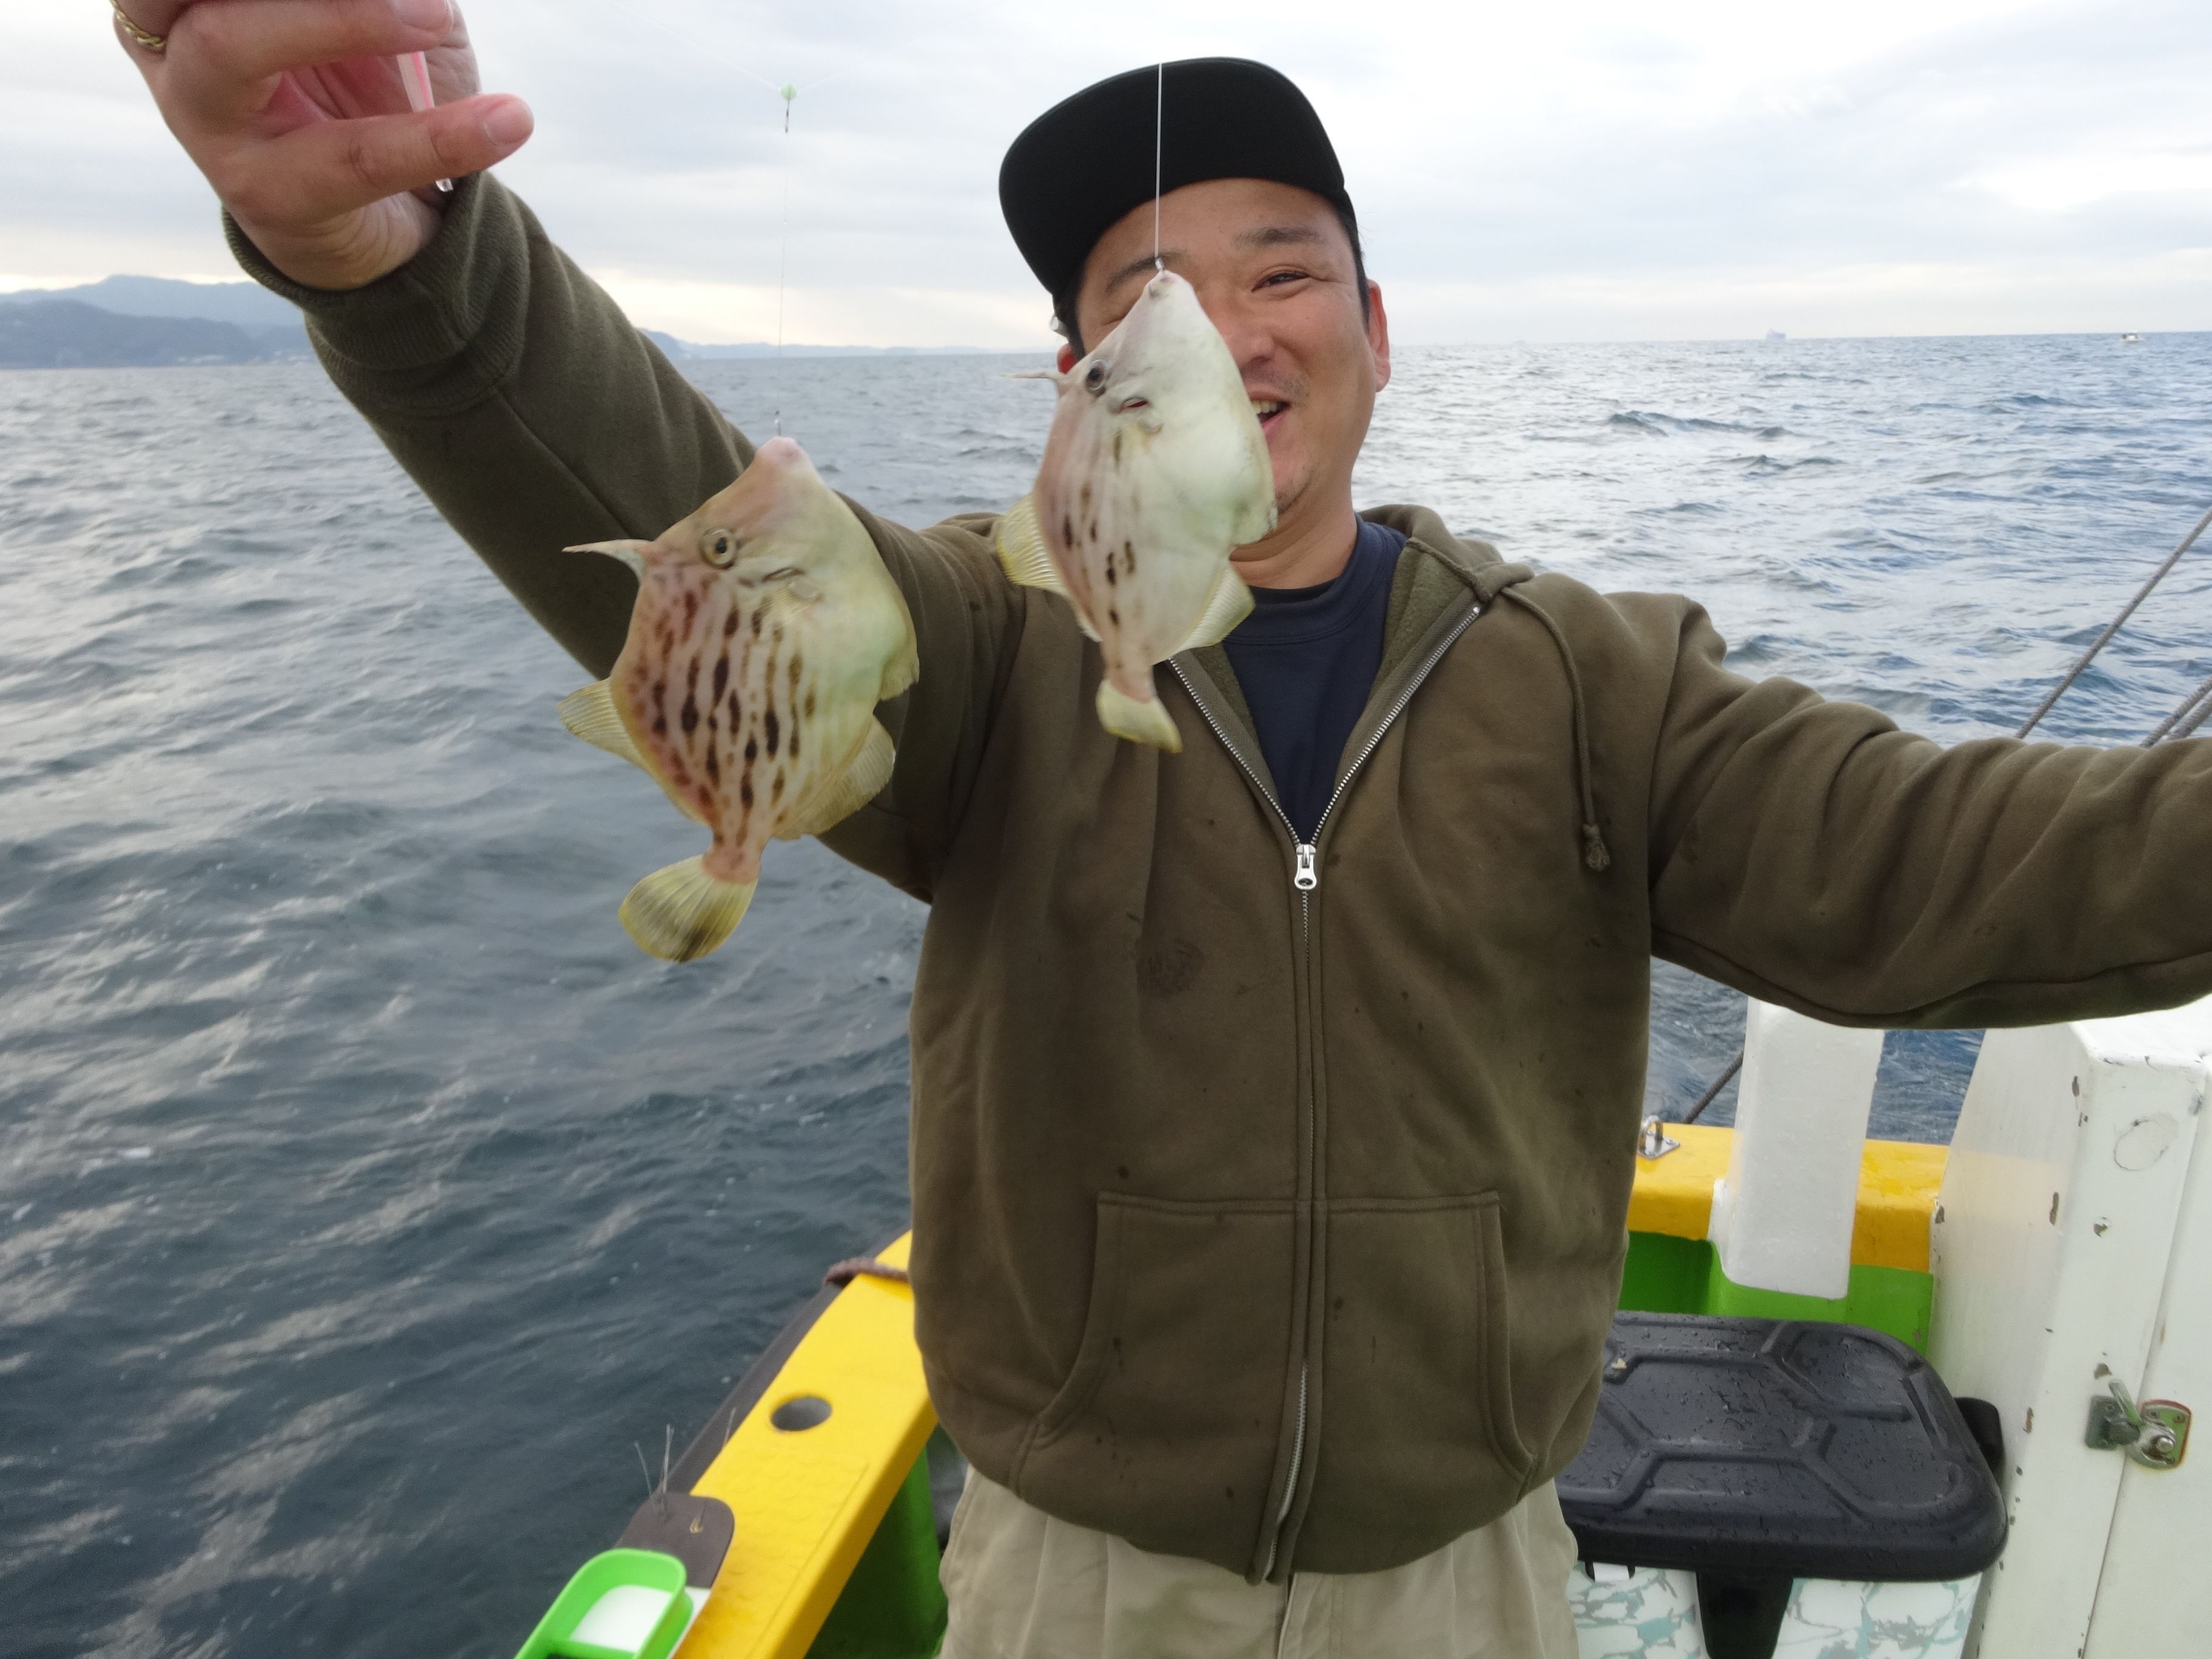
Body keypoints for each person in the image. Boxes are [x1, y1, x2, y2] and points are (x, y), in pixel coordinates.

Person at [117, 8, 2212, 1656]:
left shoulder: (1599, 681)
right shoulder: (979, 649)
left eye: (1283, 269)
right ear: (1078, 385)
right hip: (1077, 1582)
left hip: (1469, 1576)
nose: (1226, 325)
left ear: (1378, 332)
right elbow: (701, 541)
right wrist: (399, 264)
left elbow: (1942, 862)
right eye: (1145, 298)